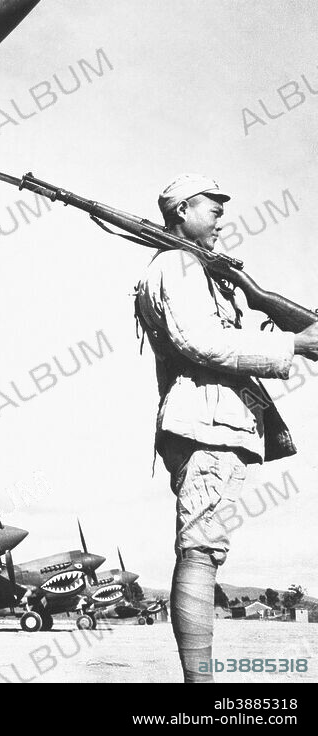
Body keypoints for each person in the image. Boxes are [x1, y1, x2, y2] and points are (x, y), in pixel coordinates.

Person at [134, 173, 318, 683]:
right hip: (205, 426)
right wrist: (295, 346)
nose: (221, 217)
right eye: (212, 208)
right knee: (199, 551)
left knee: (205, 550)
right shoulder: (177, 264)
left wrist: (264, 317)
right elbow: (203, 343)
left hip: (219, 425)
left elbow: (223, 336)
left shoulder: (203, 270)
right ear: (183, 211)